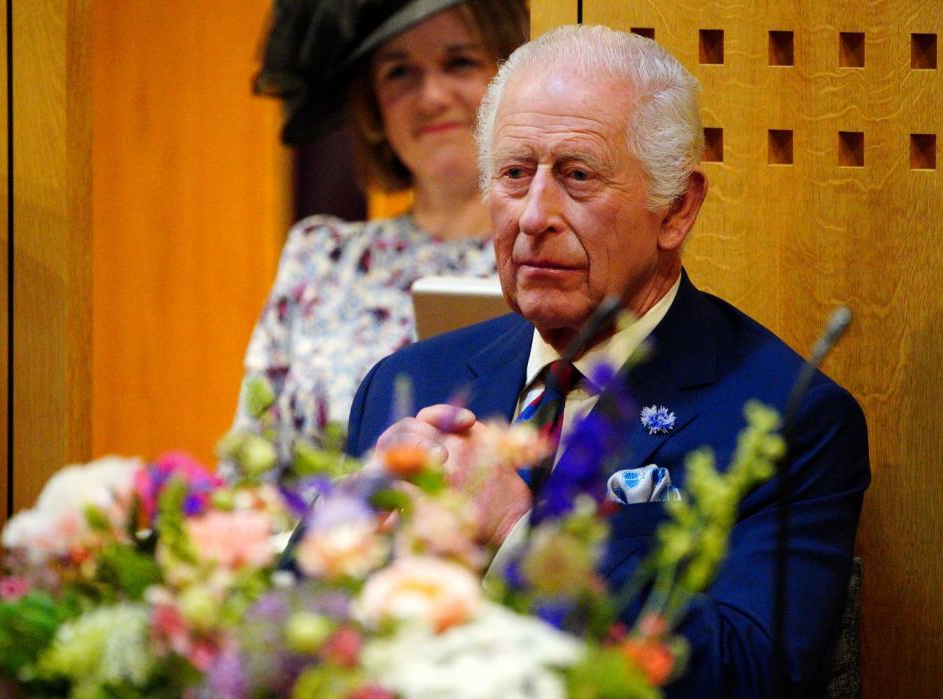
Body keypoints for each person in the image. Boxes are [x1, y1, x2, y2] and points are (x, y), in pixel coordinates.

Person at [345, 25, 871, 697]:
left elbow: (753, 671)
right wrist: (354, 530)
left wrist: (521, 536)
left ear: (676, 209)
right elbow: (300, 628)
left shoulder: (786, 417)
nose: (534, 216)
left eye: (577, 176)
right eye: (514, 174)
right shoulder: (407, 383)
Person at [230, 0, 527, 458]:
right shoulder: (320, 256)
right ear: (373, 106)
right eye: (399, 73)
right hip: (312, 529)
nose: (431, 97)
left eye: (460, 62)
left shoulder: (548, 257)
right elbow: (247, 466)